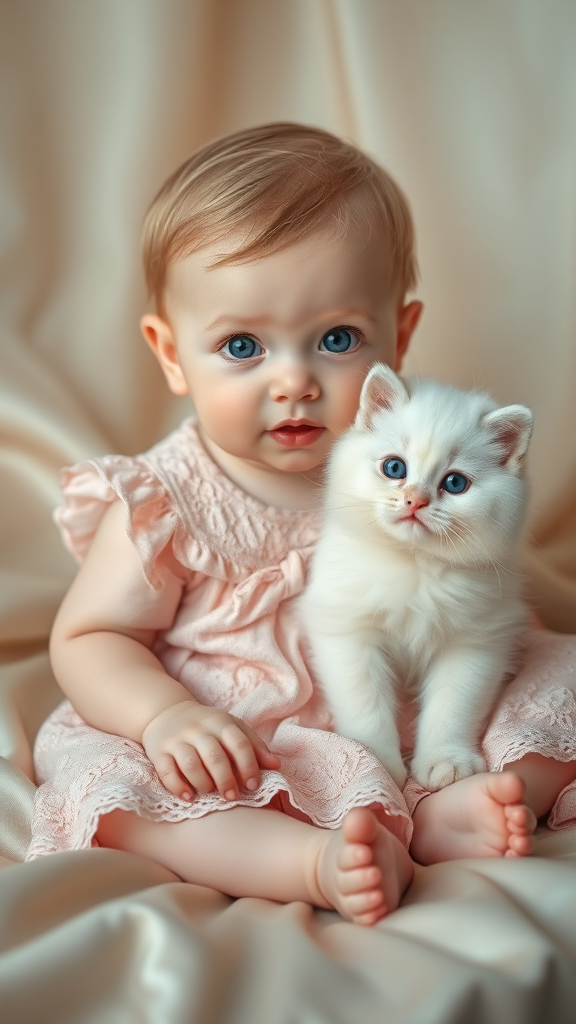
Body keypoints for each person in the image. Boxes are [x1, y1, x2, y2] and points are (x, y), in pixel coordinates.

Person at [28, 123, 576, 927]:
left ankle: (452, 808)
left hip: (411, 707)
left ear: (400, 335)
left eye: (336, 339)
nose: (295, 382)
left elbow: (467, 595)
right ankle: (311, 861)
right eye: (243, 345)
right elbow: (88, 638)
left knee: (555, 677)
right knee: (123, 791)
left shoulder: (406, 462)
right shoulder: (166, 499)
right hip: (242, 740)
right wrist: (164, 716)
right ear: (172, 352)